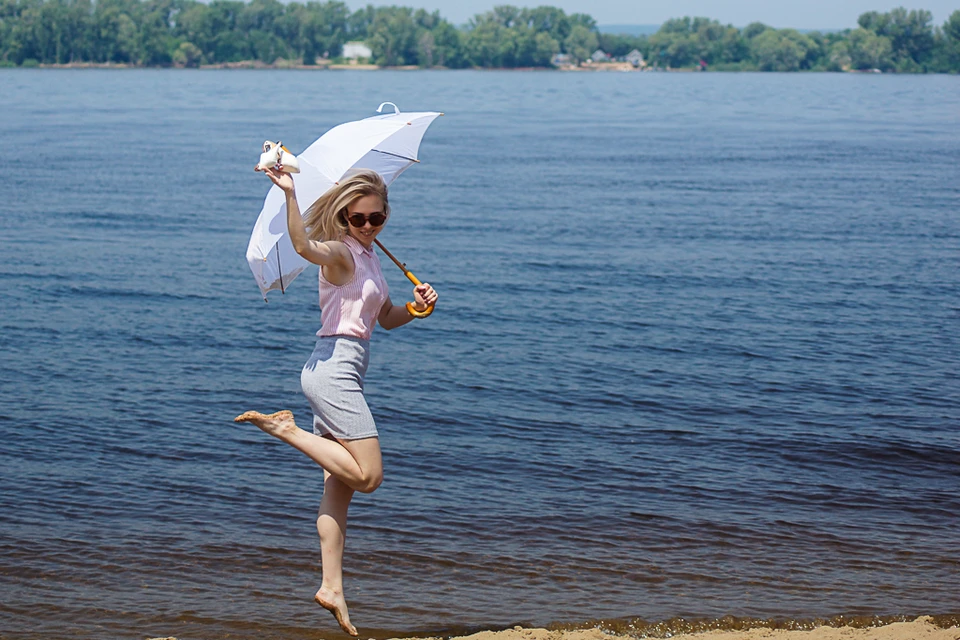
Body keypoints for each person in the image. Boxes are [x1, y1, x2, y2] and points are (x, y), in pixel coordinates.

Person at [235, 164, 438, 637]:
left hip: (343, 369)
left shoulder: (371, 257)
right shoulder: (341, 254)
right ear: (344, 217)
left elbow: (383, 318)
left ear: (385, 215)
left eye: (376, 217)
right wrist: (289, 195)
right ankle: (285, 429)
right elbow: (305, 246)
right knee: (369, 476)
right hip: (333, 372)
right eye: (357, 218)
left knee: (339, 489)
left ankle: (332, 587)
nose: (366, 226)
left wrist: (416, 308)